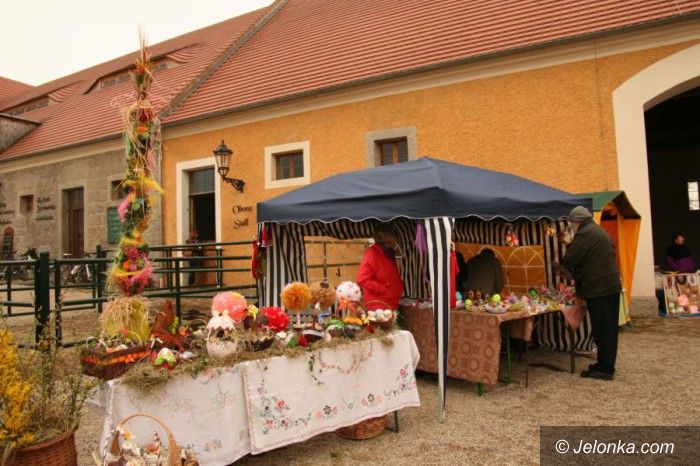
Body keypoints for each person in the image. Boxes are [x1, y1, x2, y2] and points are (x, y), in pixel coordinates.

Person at [561, 206, 621, 381]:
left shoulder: (585, 233)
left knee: (603, 329)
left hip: (599, 289)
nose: (571, 226)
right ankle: (604, 363)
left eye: (571, 223)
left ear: (576, 221)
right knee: (609, 328)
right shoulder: (599, 231)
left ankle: (605, 369)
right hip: (609, 286)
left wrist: (569, 244)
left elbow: (570, 259)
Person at [357, 224, 404, 310]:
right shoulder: (372, 253)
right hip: (378, 304)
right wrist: (383, 288)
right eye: (392, 234)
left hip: (391, 301)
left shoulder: (389, 252)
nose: (395, 238)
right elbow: (363, 279)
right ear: (385, 236)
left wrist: (398, 287)